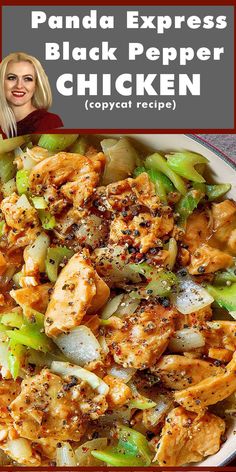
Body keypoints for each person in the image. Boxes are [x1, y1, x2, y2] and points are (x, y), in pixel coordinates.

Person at [0, 52, 63, 137]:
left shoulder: (49, 122)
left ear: (36, 85)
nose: (19, 86)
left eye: (27, 79)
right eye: (12, 78)